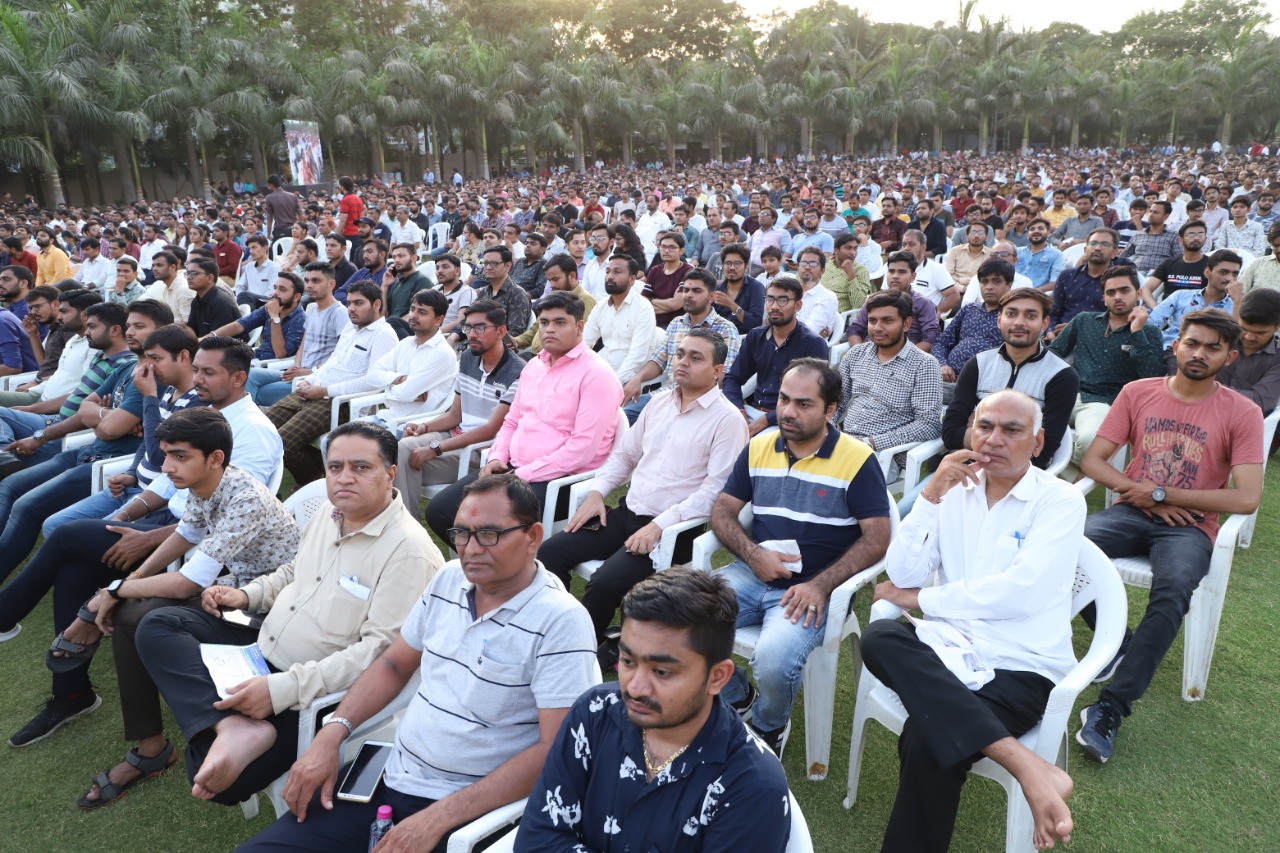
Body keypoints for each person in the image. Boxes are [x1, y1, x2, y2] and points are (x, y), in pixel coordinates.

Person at [236, 474, 595, 852]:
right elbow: (394, 664)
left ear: (533, 536)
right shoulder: (449, 579)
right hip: (390, 775)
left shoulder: (560, 622)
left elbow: (554, 750)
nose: (471, 549)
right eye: (462, 533)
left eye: (489, 534)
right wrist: (333, 732)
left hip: (471, 810)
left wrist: (438, 818)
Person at [127, 421, 439, 805]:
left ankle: (232, 728)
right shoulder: (331, 512)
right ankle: (233, 727)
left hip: (310, 691)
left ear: (390, 474)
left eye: (361, 467)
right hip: (262, 645)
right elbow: (294, 571)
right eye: (335, 467)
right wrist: (245, 596)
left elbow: (379, 654)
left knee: (215, 780)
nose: (344, 478)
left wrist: (281, 690)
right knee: (158, 624)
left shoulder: (408, 552)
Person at [49, 408, 299, 807]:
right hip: (234, 591)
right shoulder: (206, 485)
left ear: (215, 458)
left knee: (133, 613)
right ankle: (151, 746)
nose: (167, 467)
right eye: (166, 454)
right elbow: (186, 533)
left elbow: (187, 582)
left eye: (179, 456)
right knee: (131, 609)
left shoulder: (244, 498)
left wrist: (115, 590)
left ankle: (155, 748)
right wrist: (130, 581)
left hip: (267, 611)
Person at [865, 390, 1080, 853]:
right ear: (970, 432)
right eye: (985, 426)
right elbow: (902, 573)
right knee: (880, 636)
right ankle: (1026, 765)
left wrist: (922, 599)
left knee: (927, 741)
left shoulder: (1060, 501)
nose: (994, 439)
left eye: (1012, 429)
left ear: (1038, 442)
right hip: (950, 647)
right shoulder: (954, 491)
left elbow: (1019, 593)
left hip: (1021, 663)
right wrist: (929, 495)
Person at [0, 336, 285, 666]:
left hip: (206, 549)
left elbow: (228, 519)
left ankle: (7, 617)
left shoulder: (253, 431)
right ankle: (70, 686)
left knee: (68, 536)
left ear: (238, 378)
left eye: (208, 372)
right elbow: (166, 480)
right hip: (173, 525)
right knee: (74, 567)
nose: (197, 379)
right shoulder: (207, 415)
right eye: (196, 370)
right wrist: (126, 515)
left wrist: (144, 543)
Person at [1076, 309, 1264, 765]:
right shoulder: (1138, 392)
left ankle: (1110, 709)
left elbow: (1246, 498)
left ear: (1229, 357)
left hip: (1190, 526)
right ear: (1176, 345)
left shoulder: (1243, 412)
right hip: (1132, 511)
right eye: (1192, 343)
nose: (1200, 354)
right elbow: (1094, 461)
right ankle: (1117, 640)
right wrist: (1143, 494)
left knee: (1174, 588)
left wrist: (1161, 493)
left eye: (1213, 348)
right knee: (1067, 548)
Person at [516, 569, 791, 852]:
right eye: (627, 661)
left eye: (661, 671)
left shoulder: (753, 785)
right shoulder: (594, 713)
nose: (635, 688)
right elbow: (536, 839)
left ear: (717, 677)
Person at [713, 358, 892, 755]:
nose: (788, 411)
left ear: (830, 410)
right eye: (783, 399)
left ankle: (769, 725)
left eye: (804, 404)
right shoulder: (760, 446)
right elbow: (722, 511)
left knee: (773, 661)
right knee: (676, 618)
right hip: (751, 573)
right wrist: (753, 554)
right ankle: (738, 696)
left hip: (815, 587)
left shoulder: (856, 458)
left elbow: (878, 538)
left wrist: (821, 585)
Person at [538, 328, 748, 642]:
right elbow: (625, 455)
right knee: (551, 552)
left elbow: (713, 493)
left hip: (670, 532)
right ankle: (554, 630)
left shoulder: (727, 420)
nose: (682, 362)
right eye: (680, 354)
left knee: (604, 583)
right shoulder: (660, 402)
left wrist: (659, 526)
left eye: (695, 357)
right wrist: (597, 492)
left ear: (717, 371)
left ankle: (579, 648)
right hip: (627, 514)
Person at [424, 291, 624, 543]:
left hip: (560, 481)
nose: (550, 329)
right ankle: (484, 563)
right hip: (513, 468)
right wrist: (497, 457)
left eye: (560, 322)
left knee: (487, 522)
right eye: (544, 322)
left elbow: (581, 449)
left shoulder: (597, 376)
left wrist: (523, 474)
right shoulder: (534, 366)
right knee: (439, 511)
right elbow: (511, 422)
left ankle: (499, 565)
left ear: (580, 327)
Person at [0, 301, 170, 584]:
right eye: (129, 325)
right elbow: (84, 409)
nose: (130, 332)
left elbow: (109, 430)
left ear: (162, 331)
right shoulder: (129, 367)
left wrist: (102, 418)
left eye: (139, 326)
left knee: (26, 507)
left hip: (108, 463)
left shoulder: (152, 378)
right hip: (86, 450)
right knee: (10, 486)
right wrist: (106, 416)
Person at [395, 300, 524, 514]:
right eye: (468, 327)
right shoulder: (467, 358)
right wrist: (424, 427)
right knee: (400, 449)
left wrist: (436, 448)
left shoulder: (517, 372)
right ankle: (404, 525)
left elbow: (491, 430)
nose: (471, 334)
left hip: (481, 450)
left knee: (401, 464)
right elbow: (455, 414)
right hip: (455, 435)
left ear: (501, 331)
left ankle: (405, 526)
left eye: (479, 328)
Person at [265, 279, 397, 484]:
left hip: (341, 403)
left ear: (376, 304)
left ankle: (310, 478)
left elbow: (374, 382)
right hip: (314, 391)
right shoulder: (351, 328)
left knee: (283, 442)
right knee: (263, 430)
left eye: (358, 303)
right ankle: (316, 466)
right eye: (350, 303)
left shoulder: (384, 335)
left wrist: (326, 390)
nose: (351, 308)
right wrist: (309, 380)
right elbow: (332, 362)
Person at [1049, 267, 1166, 465]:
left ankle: (1072, 476)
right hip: (1067, 394)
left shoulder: (1150, 332)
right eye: (1111, 292)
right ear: (1104, 298)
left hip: (1104, 403)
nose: (1117, 296)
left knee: (1089, 441)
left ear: (1139, 294)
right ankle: (1074, 474)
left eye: (1124, 290)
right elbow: (1053, 353)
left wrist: (1137, 332)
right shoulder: (1084, 320)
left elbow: (1153, 377)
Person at [622, 269, 740, 423]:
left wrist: (687, 396)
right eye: (686, 290)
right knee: (620, 416)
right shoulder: (676, 323)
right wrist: (638, 378)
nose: (688, 295)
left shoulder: (725, 329)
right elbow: (658, 361)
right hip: (666, 394)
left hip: (700, 401)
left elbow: (723, 375)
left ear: (711, 297)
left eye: (696, 291)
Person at [837, 290, 944, 454]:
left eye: (887, 321)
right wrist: (825, 431)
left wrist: (870, 443)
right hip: (843, 442)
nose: (877, 328)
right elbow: (836, 402)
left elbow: (929, 425)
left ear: (906, 324)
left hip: (884, 453)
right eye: (872, 321)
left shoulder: (924, 365)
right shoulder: (856, 354)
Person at [724, 276, 828, 436]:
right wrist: (739, 412)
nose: (774, 306)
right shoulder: (756, 337)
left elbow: (812, 395)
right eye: (770, 299)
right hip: (752, 412)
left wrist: (766, 420)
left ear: (798, 306)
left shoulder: (813, 344)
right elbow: (733, 378)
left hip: (792, 418)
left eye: (782, 301)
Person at [246, 262, 350, 406]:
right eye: (307, 280)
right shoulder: (313, 309)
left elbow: (343, 355)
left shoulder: (340, 314)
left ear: (331, 284)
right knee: (249, 376)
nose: (309, 285)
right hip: (298, 372)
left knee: (259, 392)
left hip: (315, 378)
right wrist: (295, 365)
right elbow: (304, 344)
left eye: (316, 281)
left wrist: (309, 371)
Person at [366, 288, 458, 423]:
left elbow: (405, 393)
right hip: (386, 417)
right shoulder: (406, 343)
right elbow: (371, 375)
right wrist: (400, 379)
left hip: (410, 426)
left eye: (422, 312)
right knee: (338, 434)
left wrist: (388, 388)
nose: (413, 315)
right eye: (412, 309)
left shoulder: (443, 353)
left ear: (438, 320)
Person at [1147, 249, 1241, 370]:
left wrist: (1237, 301)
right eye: (1223, 272)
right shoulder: (1181, 296)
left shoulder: (1236, 305)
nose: (1229, 278)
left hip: (1208, 356)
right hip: (1170, 349)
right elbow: (1151, 324)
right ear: (1208, 272)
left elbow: (1235, 340)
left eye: (1235, 274)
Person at [933, 259, 1013, 386]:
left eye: (996, 281)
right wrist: (942, 365)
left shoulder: (1012, 316)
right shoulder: (969, 309)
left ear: (1009, 284)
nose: (989, 287)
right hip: (949, 378)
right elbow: (941, 342)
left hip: (988, 383)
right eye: (984, 281)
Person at [581, 253, 658, 385]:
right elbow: (584, 342)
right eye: (607, 271)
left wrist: (614, 383)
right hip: (602, 368)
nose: (610, 276)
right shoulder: (601, 306)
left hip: (629, 377)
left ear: (632, 279)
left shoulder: (643, 308)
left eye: (617, 272)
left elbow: (637, 357)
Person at [846, 250, 940, 352]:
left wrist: (907, 356)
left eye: (902, 272)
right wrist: (861, 353)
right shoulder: (874, 300)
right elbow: (855, 329)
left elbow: (931, 337)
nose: (895, 276)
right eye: (891, 271)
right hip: (873, 354)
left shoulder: (923, 303)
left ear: (913, 276)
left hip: (910, 355)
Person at [212, 272, 306, 362]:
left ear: (296, 297)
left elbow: (280, 354)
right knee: (215, 357)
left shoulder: (300, 319)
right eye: (275, 288)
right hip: (256, 357)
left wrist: (275, 318)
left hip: (271, 365)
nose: (275, 293)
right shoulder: (270, 307)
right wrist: (211, 336)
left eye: (282, 289)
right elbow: (240, 325)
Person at [1216, 287, 1280, 411]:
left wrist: (1206, 390)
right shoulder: (1217, 339)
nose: (1248, 337)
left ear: (1278, 326)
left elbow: (1259, 401)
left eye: (1260, 333)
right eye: (1243, 329)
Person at [472, 244, 533, 336]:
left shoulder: (517, 294)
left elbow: (516, 331)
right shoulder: (484, 292)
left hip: (498, 342)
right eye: (486, 263)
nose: (488, 267)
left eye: (494, 263)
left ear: (507, 266)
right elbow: (470, 319)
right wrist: (454, 336)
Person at [711, 242, 766, 333]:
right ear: (722, 266)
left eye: (737, 263)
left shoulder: (756, 288)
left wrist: (732, 305)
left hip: (745, 337)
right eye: (728, 263)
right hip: (718, 335)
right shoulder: (717, 289)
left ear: (746, 267)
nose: (732, 267)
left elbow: (755, 323)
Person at [185, 255, 241, 338]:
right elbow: (192, 331)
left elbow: (220, 340)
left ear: (210, 278)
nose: (189, 277)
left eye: (193, 273)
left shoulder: (220, 303)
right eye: (188, 273)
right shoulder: (197, 300)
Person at [793, 248, 840, 339]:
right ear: (798, 269)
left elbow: (808, 331)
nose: (807, 267)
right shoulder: (791, 292)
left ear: (822, 270)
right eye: (803, 263)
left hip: (807, 346)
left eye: (813, 264)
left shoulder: (827, 297)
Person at [142, 250, 195, 321]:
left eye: (159, 265)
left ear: (172, 267)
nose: (154, 269)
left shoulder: (183, 289)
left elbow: (187, 323)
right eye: (153, 265)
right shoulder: (166, 287)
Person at [235, 235, 280, 309]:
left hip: (264, 303)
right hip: (248, 301)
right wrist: (241, 297)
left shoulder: (275, 267)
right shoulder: (249, 266)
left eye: (254, 247)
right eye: (249, 248)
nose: (251, 251)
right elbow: (240, 286)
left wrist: (253, 298)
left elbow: (272, 291)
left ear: (265, 248)